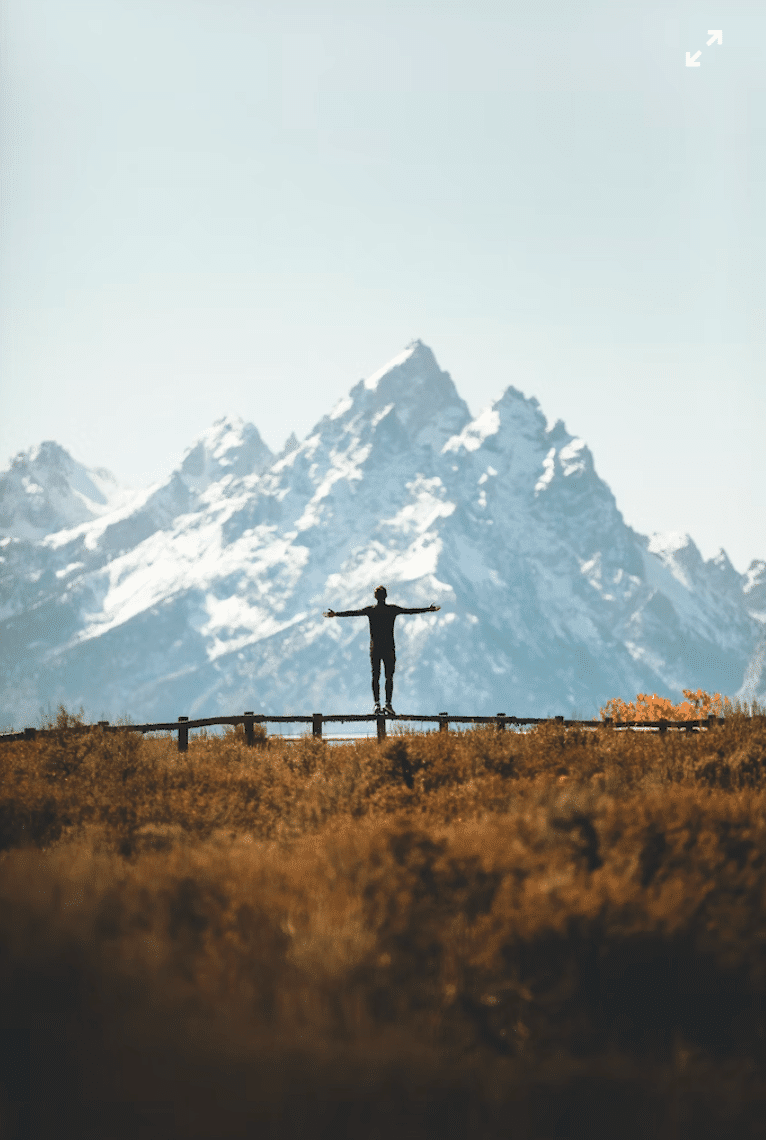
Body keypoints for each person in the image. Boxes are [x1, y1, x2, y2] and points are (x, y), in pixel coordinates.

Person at [324, 586, 441, 715]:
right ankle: (388, 704)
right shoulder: (392, 609)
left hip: (375, 648)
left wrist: (336, 614)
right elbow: (410, 611)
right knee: (389, 677)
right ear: (385, 596)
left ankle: (377, 704)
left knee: (375, 676)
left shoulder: (371, 610)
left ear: (375, 597)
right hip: (389, 648)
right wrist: (428, 609)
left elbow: (353, 613)